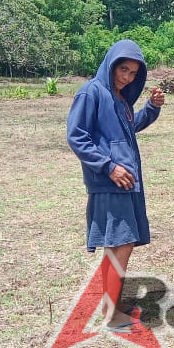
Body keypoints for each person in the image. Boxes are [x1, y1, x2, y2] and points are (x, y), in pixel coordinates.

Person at [66, 39, 165, 331]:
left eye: (133, 73)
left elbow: (128, 129)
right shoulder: (91, 93)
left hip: (127, 182)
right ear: (110, 64)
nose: (126, 77)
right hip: (110, 183)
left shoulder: (120, 99)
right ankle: (111, 314)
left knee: (120, 245)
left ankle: (114, 304)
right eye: (123, 69)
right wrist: (108, 167)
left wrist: (151, 108)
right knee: (120, 245)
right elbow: (77, 137)